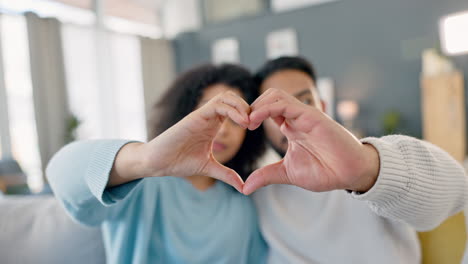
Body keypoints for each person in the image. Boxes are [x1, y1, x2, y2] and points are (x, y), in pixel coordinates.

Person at [244, 56, 468, 263]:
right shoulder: (258, 193)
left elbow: (456, 190)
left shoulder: (368, 161)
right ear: (261, 124)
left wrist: (368, 168)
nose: (291, 116)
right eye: (275, 111)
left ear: (321, 107)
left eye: (304, 101)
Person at [47, 64, 267, 264]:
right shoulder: (140, 183)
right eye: (214, 115)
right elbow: (61, 173)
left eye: (236, 121)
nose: (224, 130)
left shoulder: (242, 203)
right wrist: (145, 158)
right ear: (183, 116)